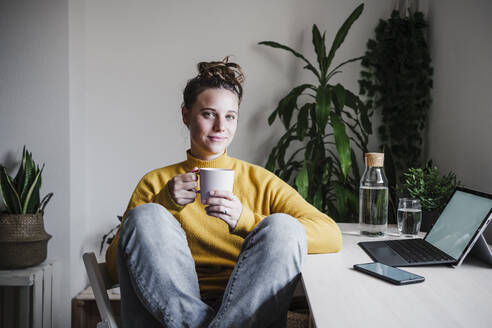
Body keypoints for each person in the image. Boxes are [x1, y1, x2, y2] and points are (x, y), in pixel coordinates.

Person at [105, 57, 342, 328]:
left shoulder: (260, 181)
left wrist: (248, 221)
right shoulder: (156, 182)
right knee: (146, 215)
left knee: (284, 227)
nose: (221, 127)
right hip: (166, 313)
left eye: (230, 116)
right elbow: (114, 269)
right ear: (186, 115)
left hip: (248, 308)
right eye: (208, 114)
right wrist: (165, 203)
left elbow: (330, 234)